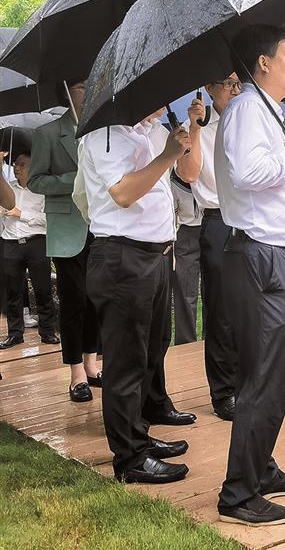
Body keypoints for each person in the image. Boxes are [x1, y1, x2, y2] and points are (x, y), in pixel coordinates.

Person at [215, 25, 285, 527]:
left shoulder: (268, 111)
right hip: (261, 257)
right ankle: (238, 495)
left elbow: (271, 178)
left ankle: (260, 469)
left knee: (269, 372)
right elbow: (245, 174)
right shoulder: (243, 110)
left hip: (277, 255)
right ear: (263, 63)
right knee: (266, 377)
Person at [80, 109, 197, 484]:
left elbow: (187, 175)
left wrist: (178, 145)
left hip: (156, 256)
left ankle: (139, 434)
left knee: (151, 349)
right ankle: (129, 458)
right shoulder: (106, 135)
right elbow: (123, 193)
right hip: (123, 257)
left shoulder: (147, 131)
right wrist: (165, 156)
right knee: (126, 359)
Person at [27, 80, 102, 403]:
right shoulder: (47, 134)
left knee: (97, 297)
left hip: (100, 227)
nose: (88, 91)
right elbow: (35, 180)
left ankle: (91, 362)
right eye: (82, 86)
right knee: (75, 299)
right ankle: (75, 373)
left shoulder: (100, 130)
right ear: (67, 91)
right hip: (67, 229)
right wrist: (74, 179)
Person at [176, 75, 241, 421]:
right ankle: (224, 391)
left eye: (237, 83)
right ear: (209, 88)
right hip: (217, 220)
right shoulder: (199, 125)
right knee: (220, 312)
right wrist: (196, 128)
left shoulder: (249, 119)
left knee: (251, 306)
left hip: (250, 219)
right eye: (226, 84)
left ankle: (248, 381)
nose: (234, 89)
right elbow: (188, 174)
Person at [0, 150, 59, 349]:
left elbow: (48, 220)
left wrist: (21, 214)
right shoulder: (7, 189)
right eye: (15, 164)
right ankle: (15, 333)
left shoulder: (42, 191)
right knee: (13, 291)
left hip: (36, 242)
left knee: (42, 288)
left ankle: (48, 331)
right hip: (10, 242)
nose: (17, 167)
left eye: (22, 164)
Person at [169, 172, 202, 345]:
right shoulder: (174, 179)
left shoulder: (212, 170)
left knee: (216, 289)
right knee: (184, 290)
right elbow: (171, 216)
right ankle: (185, 342)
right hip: (186, 232)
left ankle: (214, 338)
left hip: (214, 224)